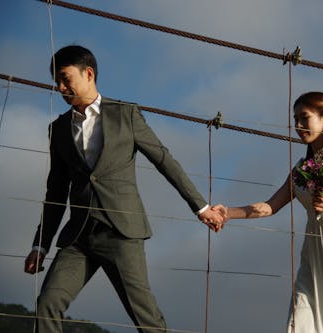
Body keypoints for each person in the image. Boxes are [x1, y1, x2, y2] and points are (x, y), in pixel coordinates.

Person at [24, 45, 224, 333]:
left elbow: (164, 160)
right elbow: (55, 192)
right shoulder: (58, 129)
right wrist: (40, 245)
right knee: (46, 305)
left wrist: (201, 207)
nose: (60, 87)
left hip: (122, 232)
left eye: (66, 78)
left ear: (89, 74)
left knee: (146, 319)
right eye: (56, 81)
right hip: (79, 237)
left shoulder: (126, 114)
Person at [213, 92, 323, 332]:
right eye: (295, 119)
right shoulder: (300, 168)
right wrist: (227, 213)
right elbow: (270, 206)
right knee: (301, 319)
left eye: (304, 118)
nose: (298, 126)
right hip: (313, 252)